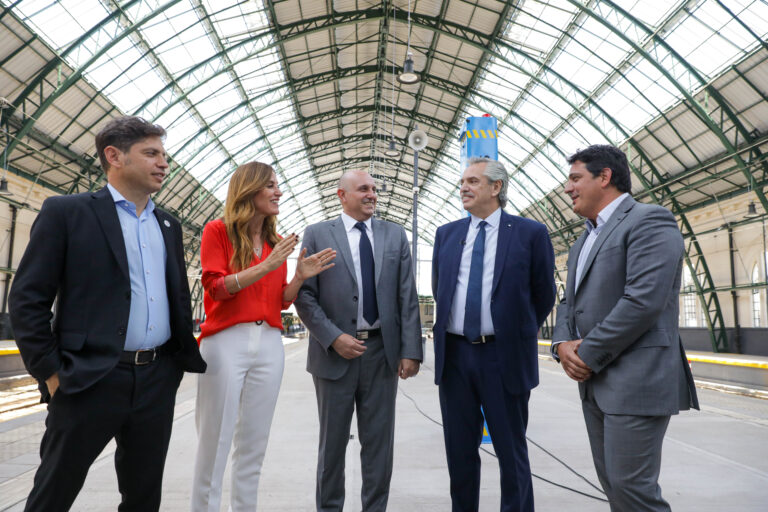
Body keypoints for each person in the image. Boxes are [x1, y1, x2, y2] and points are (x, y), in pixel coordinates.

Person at [8, 116, 207, 511]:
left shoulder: (168, 224)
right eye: (151, 153)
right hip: (88, 378)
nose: (164, 164)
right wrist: (51, 373)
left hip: (156, 379)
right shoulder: (68, 212)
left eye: (164, 155)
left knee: (143, 497)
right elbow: (27, 299)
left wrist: (172, 366)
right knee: (53, 493)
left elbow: (179, 298)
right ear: (114, 156)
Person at [552, 144, 699, 511]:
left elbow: (643, 301)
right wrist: (561, 345)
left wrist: (585, 354)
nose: (567, 188)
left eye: (575, 178)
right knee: (615, 489)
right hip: (595, 384)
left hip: (637, 379)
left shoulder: (650, 220)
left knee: (632, 488)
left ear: (605, 177)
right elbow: (569, 301)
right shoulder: (582, 240)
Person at [190, 162, 336, 511]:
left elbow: (279, 301)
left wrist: (298, 277)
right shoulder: (217, 231)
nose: (278, 192)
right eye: (270, 185)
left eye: (277, 185)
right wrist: (266, 266)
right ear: (249, 189)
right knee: (215, 442)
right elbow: (215, 287)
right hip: (225, 342)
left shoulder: (276, 243)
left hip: (269, 343)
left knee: (253, 444)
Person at [431, 157, 555, 512]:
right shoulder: (446, 234)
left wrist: (514, 331)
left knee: (511, 451)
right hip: (455, 356)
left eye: (473, 181)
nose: (463, 188)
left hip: (503, 356)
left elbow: (543, 294)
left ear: (496, 187)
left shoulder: (530, 233)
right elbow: (440, 290)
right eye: (462, 182)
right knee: (459, 452)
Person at [294, 170, 422, 512]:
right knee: (332, 446)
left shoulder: (395, 235)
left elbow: (407, 297)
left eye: (374, 189)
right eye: (364, 189)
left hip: (381, 354)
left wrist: (411, 351)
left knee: (379, 445)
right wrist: (333, 337)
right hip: (332, 356)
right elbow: (304, 296)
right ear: (342, 195)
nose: (372, 195)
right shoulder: (318, 234)